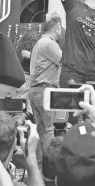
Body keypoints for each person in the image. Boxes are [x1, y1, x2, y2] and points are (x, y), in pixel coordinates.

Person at [28, 13, 63, 166]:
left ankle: (41, 165)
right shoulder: (49, 44)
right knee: (49, 129)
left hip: (35, 90)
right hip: (45, 90)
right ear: (57, 29)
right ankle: (49, 166)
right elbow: (65, 61)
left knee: (41, 130)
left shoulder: (38, 44)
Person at [16, 30, 39, 100]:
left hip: (20, 75)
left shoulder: (19, 49)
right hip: (30, 77)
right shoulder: (35, 49)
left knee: (20, 98)